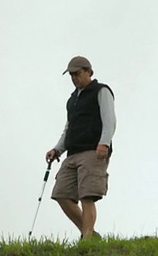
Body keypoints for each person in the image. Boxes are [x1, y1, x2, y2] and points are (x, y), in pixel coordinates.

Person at [45, 56, 116, 240]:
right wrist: (57, 149)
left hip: (93, 151)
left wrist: (104, 143)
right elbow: (68, 127)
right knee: (61, 194)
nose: (74, 78)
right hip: (72, 153)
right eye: (71, 75)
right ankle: (90, 233)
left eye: (77, 74)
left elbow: (109, 120)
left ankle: (87, 237)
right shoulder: (72, 100)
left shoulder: (101, 91)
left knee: (87, 196)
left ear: (88, 72)